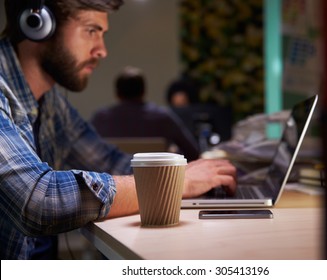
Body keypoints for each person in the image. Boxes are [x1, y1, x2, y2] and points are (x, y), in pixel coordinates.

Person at [0, 0, 237, 259]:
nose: (102, 50)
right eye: (91, 31)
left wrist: (196, 179)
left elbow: (108, 161)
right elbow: (38, 202)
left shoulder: (51, 101)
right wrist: (173, 183)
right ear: (38, 25)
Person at [90, 66, 200, 161]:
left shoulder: (101, 118)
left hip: (112, 182)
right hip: (155, 182)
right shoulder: (162, 117)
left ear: (117, 93)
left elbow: (89, 153)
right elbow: (193, 153)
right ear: (143, 92)